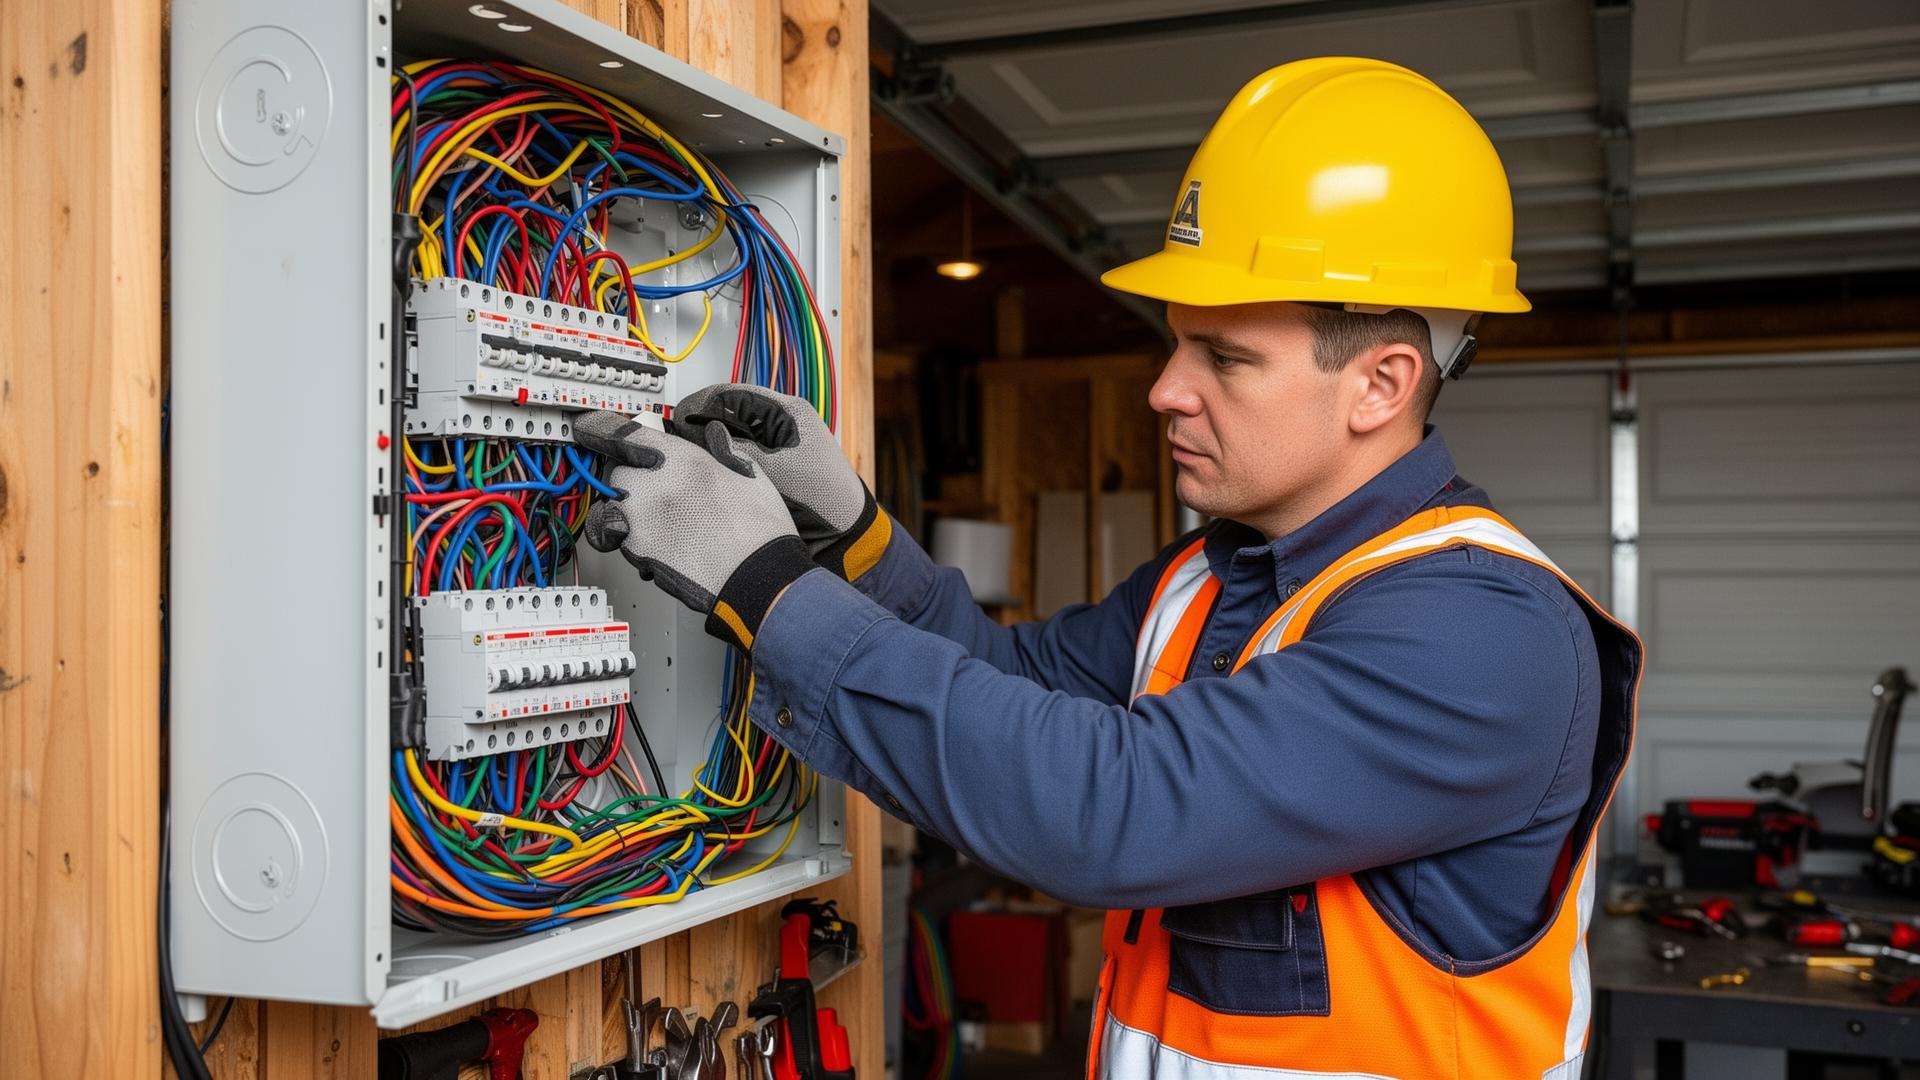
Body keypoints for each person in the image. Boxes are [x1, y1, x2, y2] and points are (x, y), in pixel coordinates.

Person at [575, 57, 1641, 1080]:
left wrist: (765, 590)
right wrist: (848, 529)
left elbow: (1112, 807)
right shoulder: (1213, 575)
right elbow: (1009, 681)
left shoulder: (1482, 632)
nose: (1165, 390)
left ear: (1381, 384)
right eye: (1176, 342)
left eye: (1224, 358)